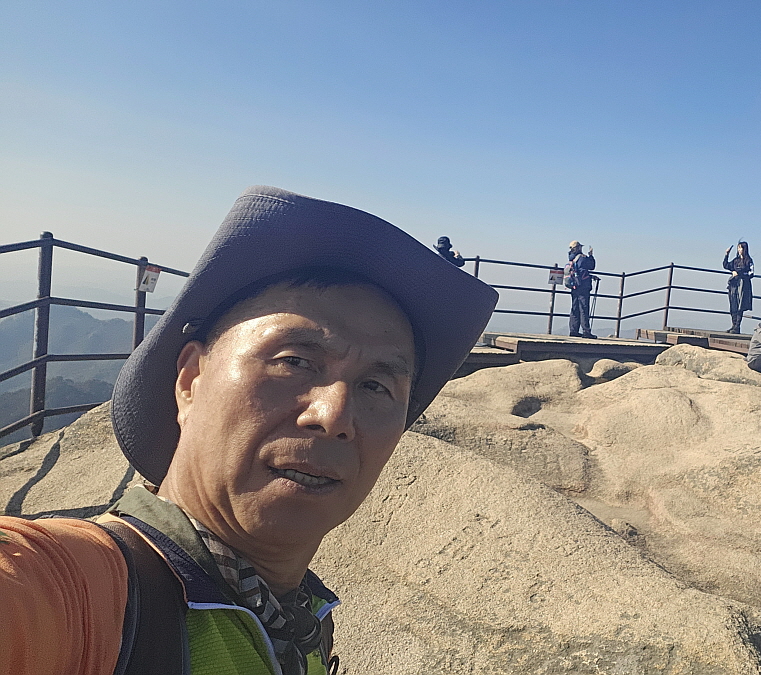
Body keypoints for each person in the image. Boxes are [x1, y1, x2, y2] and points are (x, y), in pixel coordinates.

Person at [0, 186, 498, 675]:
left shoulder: (298, 619)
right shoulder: (73, 591)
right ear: (191, 381)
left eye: (375, 386)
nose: (334, 415)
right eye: (294, 361)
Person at [565, 240, 596, 339]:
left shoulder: (571, 258)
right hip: (583, 286)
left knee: (575, 308)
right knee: (584, 308)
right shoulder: (582, 258)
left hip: (574, 285)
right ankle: (586, 331)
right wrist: (591, 256)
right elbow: (591, 266)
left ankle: (573, 330)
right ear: (578, 248)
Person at [722, 241, 754, 333]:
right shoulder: (736, 260)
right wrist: (726, 254)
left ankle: (737, 326)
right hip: (734, 284)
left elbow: (751, 273)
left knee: (740, 305)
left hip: (743, 285)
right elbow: (726, 265)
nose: (739, 250)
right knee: (733, 304)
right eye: (738, 248)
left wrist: (739, 273)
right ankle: (733, 325)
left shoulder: (749, 261)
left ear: (745, 249)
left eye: (741, 248)